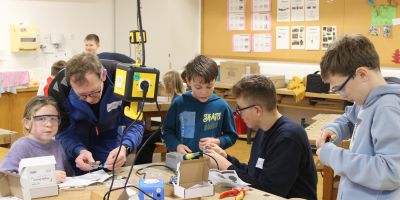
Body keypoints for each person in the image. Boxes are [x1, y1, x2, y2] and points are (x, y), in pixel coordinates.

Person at [205, 75, 317, 199]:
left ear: (257, 110)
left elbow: (269, 192)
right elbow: (253, 174)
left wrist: (225, 166)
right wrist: (226, 158)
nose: (239, 114)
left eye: (240, 109)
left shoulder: (288, 138)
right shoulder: (263, 130)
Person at [316, 34, 400, 199]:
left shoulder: (386, 108)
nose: (341, 95)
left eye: (340, 88)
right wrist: (334, 129)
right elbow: (349, 120)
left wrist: (334, 156)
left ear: (362, 74)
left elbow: (390, 172)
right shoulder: (366, 99)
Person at [48, 53, 144, 175]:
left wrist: (125, 147)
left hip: (109, 136)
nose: (89, 100)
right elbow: (62, 131)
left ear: (103, 75)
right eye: (82, 96)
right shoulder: (58, 89)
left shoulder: (125, 78)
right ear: (71, 84)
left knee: (107, 173)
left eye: (94, 92)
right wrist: (79, 151)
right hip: (76, 138)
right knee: (78, 180)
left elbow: (136, 124)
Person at [162, 55, 238, 154]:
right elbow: (167, 131)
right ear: (189, 81)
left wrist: (218, 141)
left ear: (215, 80)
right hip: (183, 161)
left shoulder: (221, 106)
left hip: (211, 161)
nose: (204, 92)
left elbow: (231, 136)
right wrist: (177, 146)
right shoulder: (179, 103)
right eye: (198, 87)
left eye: (209, 86)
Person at [0, 96, 73, 183]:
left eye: (53, 118)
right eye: (41, 119)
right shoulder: (21, 146)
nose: (49, 124)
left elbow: (68, 176)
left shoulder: (57, 145)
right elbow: (5, 178)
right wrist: (47, 178)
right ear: (27, 123)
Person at [134, 70, 185, 164]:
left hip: (172, 133)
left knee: (144, 140)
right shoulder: (179, 97)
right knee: (146, 134)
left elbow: (169, 125)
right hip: (173, 131)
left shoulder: (176, 101)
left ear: (169, 85)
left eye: (165, 84)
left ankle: (141, 166)